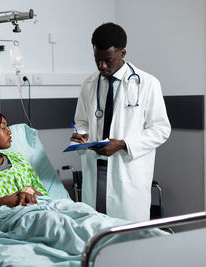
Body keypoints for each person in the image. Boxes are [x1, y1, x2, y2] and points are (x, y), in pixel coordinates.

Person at [72, 23, 171, 221]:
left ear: (122, 53)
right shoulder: (89, 84)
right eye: (97, 60)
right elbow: (81, 120)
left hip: (126, 169)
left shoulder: (147, 83)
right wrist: (81, 135)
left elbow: (161, 129)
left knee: (128, 235)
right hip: (95, 168)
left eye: (108, 60)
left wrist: (124, 145)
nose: (102, 66)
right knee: (95, 226)